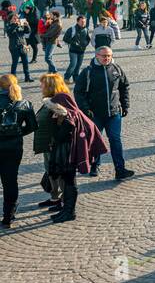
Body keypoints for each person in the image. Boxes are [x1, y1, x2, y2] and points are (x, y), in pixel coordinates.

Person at [40, 72, 108, 222]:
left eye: (43, 84)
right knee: (67, 178)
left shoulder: (60, 99)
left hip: (67, 146)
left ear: (50, 86)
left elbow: (70, 122)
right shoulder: (61, 97)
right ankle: (66, 209)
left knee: (69, 179)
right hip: (67, 145)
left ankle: (70, 212)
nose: (41, 86)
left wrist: (57, 136)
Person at [74, 46, 135, 181]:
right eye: (104, 56)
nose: (106, 58)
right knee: (95, 141)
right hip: (95, 114)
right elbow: (78, 92)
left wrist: (125, 105)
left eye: (108, 56)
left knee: (115, 140)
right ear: (97, 56)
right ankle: (95, 165)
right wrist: (85, 110)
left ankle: (120, 169)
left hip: (114, 113)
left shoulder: (116, 69)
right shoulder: (88, 72)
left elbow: (124, 86)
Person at [0, 74, 37, 227]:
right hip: (14, 147)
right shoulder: (25, 104)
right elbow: (33, 126)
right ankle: (8, 215)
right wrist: (17, 133)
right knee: (10, 181)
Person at [63, 15, 90, 84]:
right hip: (73, 50)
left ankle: (76, 78)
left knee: (78, 65)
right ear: (77, 22)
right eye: (82, 22)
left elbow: (88, 39)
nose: (83, 23)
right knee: (73, 64)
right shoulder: (72, 29)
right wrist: (74, 43)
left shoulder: (86, 29)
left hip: (82, 51)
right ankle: (66, 78)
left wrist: (85, 44)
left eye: (84, 22)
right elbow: (65, 39)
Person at [6, 14, 32, 83]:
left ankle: (27, 77)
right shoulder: (8, 25)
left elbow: (28, 31)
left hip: (23, 46)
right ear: (11, 19)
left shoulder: (20, 24)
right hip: (14, 47)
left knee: (25, 62)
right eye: (14, 18)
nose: (16, 19)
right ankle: (12, 79)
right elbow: (10, 33)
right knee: (15, 63)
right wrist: (16, 24)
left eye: (17, 18)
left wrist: (27, 25)